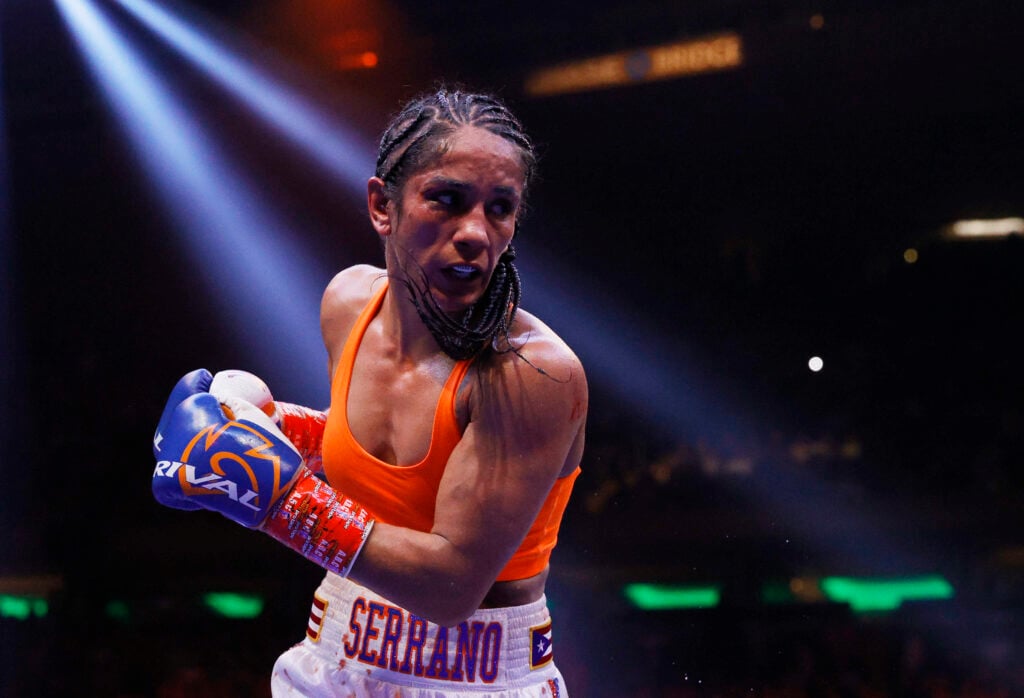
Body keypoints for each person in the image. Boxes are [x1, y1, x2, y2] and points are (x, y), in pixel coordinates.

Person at [151, 87, 588, 697]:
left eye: (499, 208)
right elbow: (380, 455)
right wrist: (273, 427)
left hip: (474, 675)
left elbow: (451, 587)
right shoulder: (350, 303)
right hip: (334, 644)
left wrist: (279, 498)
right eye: (447, 199)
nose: (475, 232)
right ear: (383, 206)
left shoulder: (530, 372)